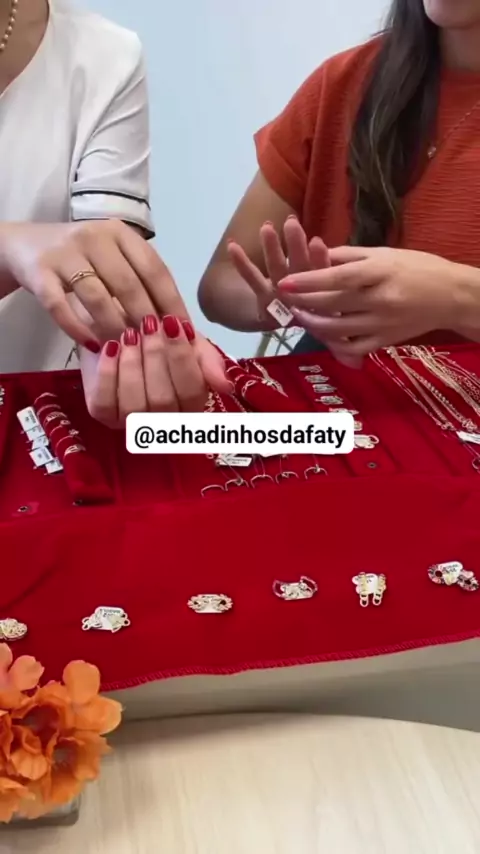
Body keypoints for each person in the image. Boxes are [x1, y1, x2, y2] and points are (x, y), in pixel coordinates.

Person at [198, 0, 480, 365]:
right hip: (334, 384)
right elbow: (221, 281)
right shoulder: (343, 81)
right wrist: (284, 306)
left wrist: (456, 295)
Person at [0, 0, 227, 425]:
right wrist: (9, 246)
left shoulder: (106, 54)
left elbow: (102, 268)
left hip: (33, 410)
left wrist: (121, 343)